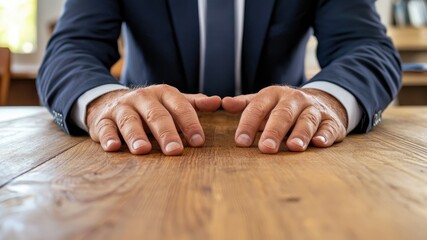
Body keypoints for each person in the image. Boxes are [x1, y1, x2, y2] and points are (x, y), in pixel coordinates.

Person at [37, 0, 401, 156]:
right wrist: (105, 101)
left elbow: (366, 46)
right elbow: (71, 47)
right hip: (145, 148)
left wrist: (328, 99)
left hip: (285, 147)